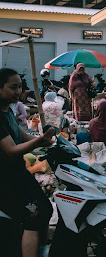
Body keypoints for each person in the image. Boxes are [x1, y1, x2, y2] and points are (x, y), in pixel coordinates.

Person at [0, 68, 55, 257]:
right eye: (12, 87)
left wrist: (42, 138)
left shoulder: (8, 111)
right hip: (6, 180)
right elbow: (11, 150)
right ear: (0, 89)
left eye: (20, 87)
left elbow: (22, 136)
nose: (18, 91)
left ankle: (41, 251)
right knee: (33, 217)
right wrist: (39, 141)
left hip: (19, 174)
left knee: (46, 209)